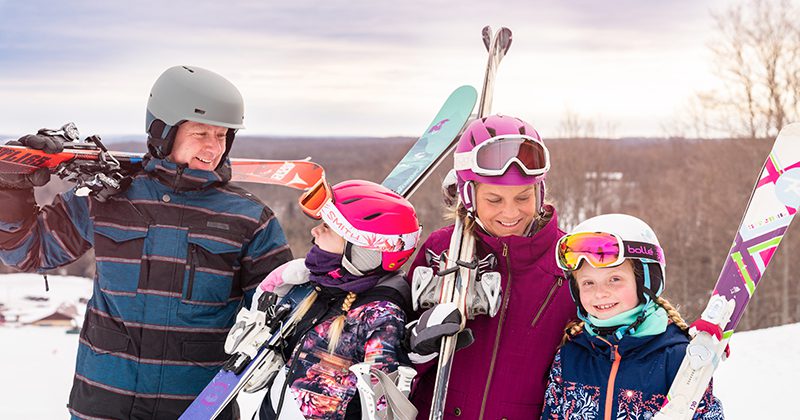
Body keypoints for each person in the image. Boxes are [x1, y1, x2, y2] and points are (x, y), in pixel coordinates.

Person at [0, 65, 293, 419]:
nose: (213, 147)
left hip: (196, 409)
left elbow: (284, 314)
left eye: (222, 135)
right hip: (103, 405)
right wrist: (10, 188)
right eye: (200, 132)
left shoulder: (249, 218)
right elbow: (27, 251)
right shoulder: (107, 199)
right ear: (163, 131)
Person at [407, 114, 576, 419]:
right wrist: (416, 345)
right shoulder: (441, 250)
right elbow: (394, 351)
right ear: (469, 196)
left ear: (539, 191)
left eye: (523, 197)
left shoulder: (567, 260)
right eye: (494, 199)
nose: (511, 213)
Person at [253, 179, 421, 419]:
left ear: (362, 252)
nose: (315, 231)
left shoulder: (380, 316)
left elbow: (382, 406)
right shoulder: (324, 289)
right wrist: (272, 289)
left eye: (328, 227)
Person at [542, 213, 724, 419]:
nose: (600, 293)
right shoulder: (570, 356)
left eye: (614, 279)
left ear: (646, 282)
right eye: (588, 283)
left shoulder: (677, 357)